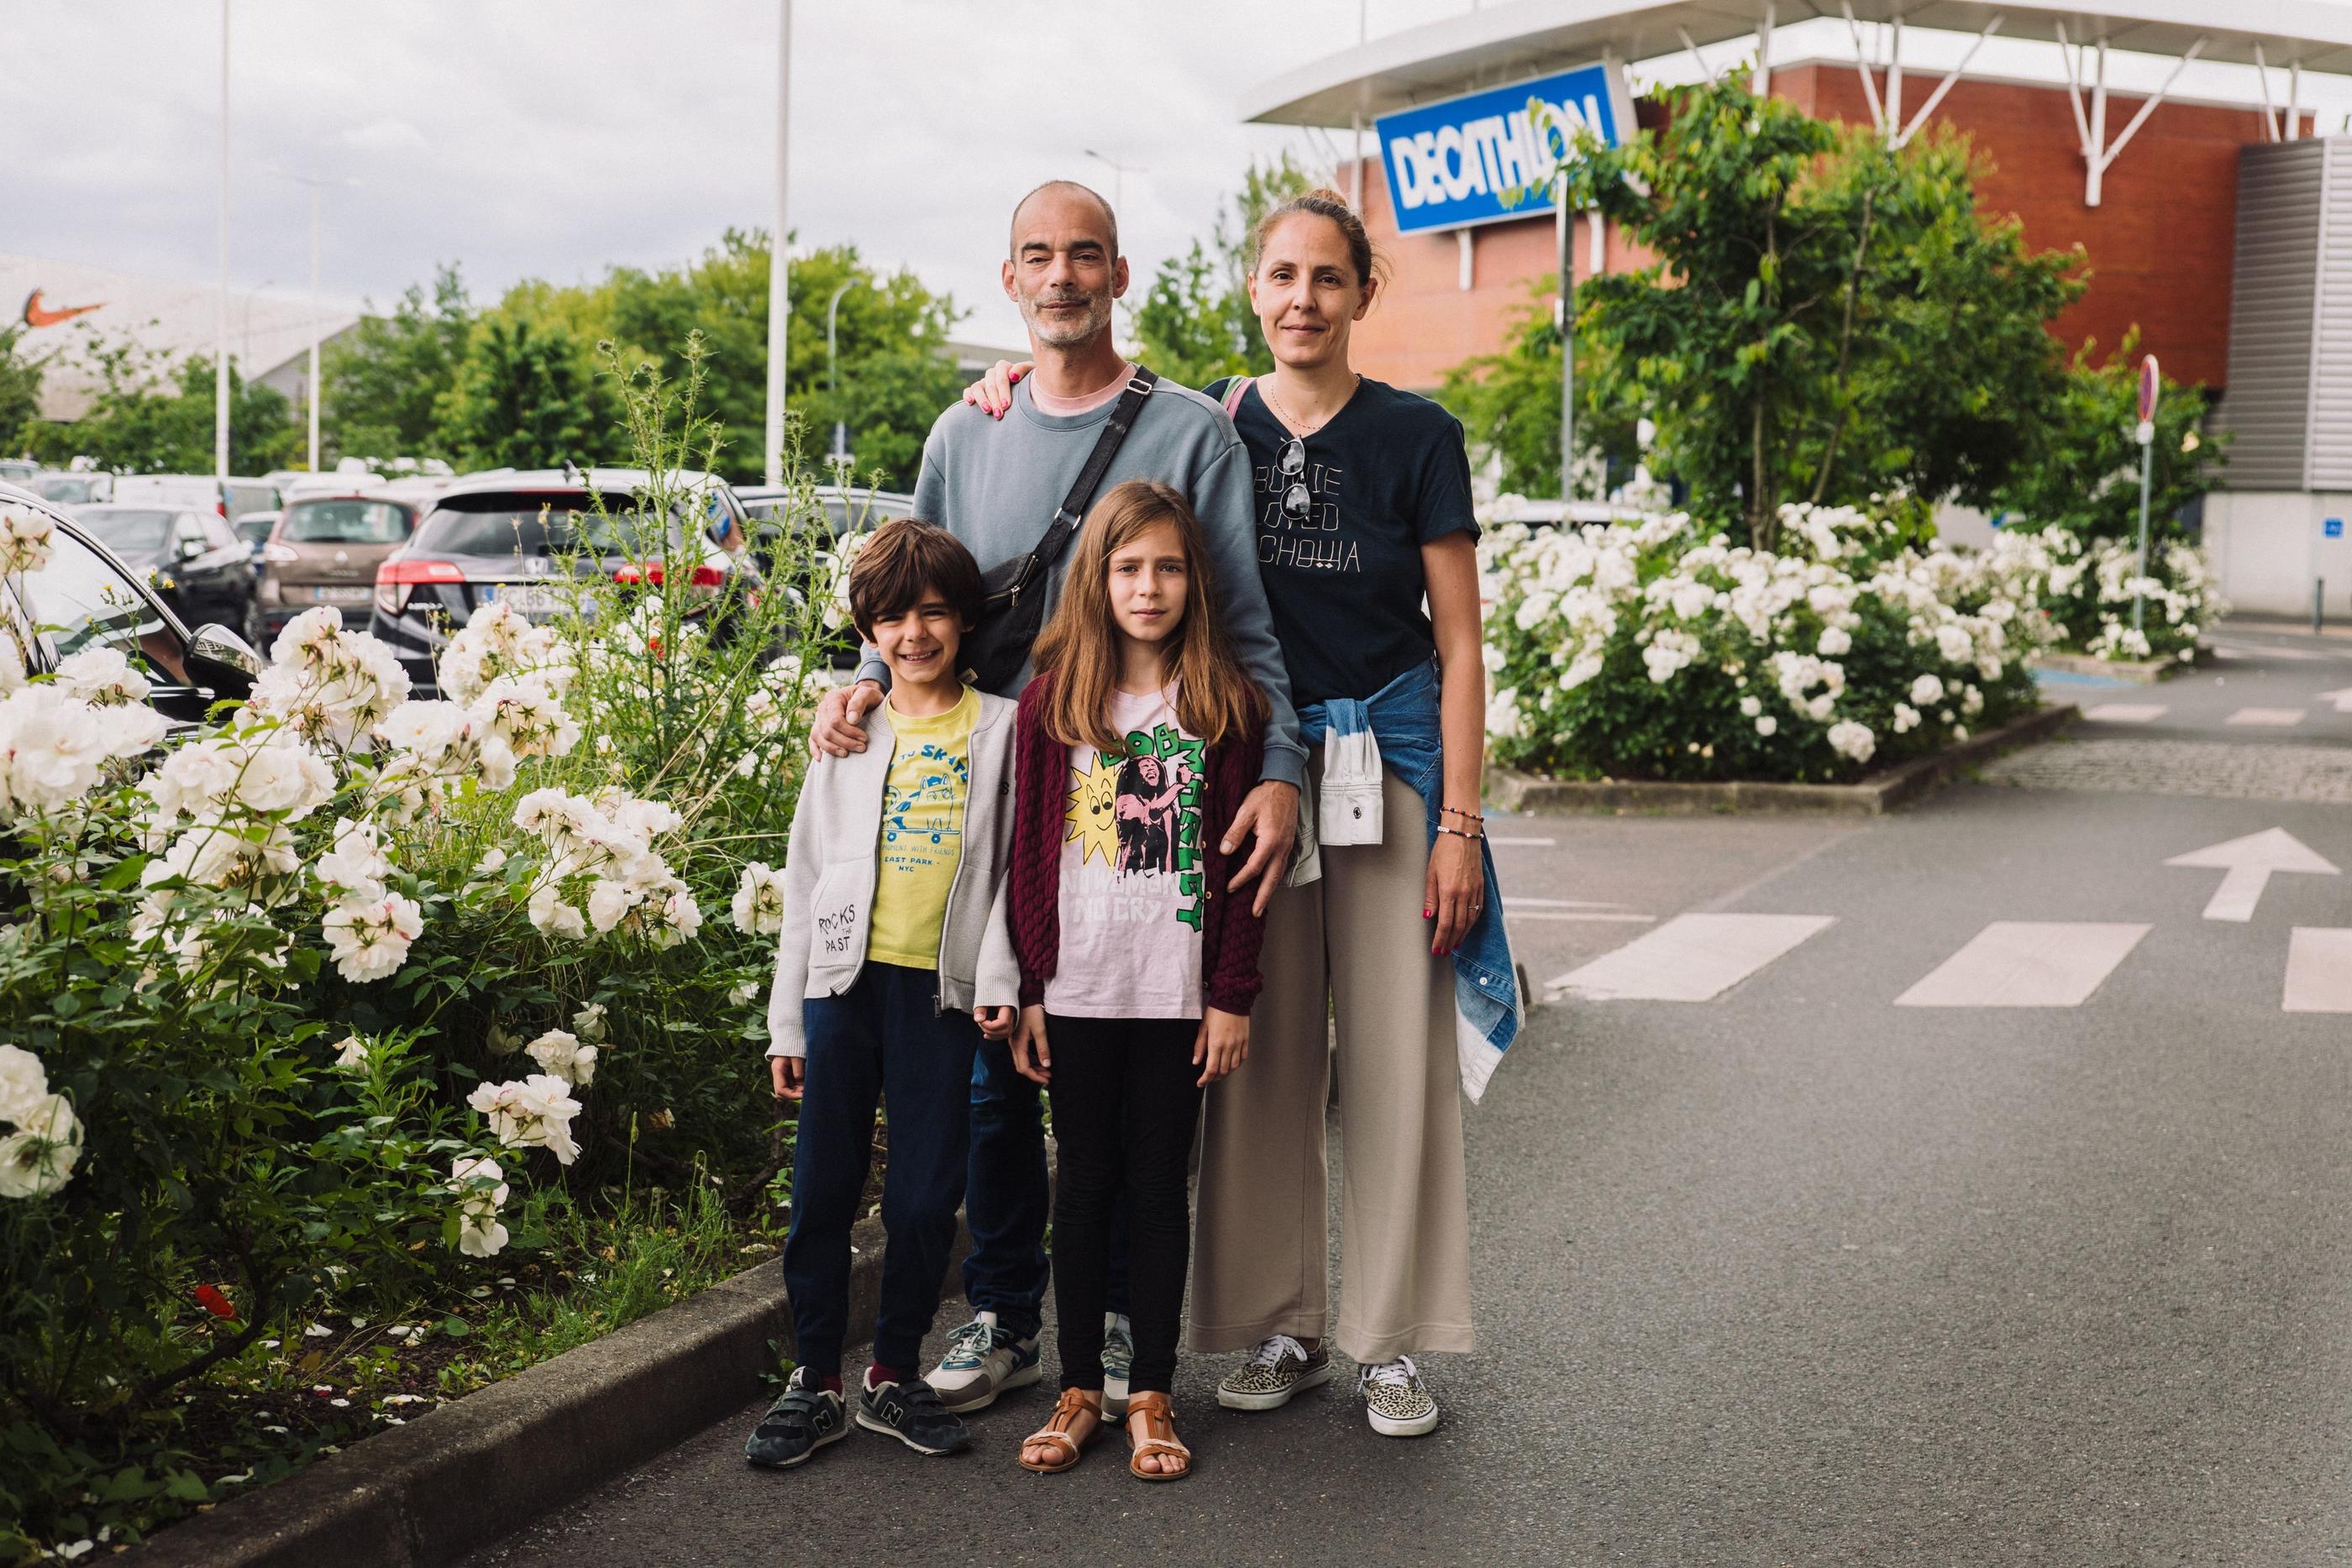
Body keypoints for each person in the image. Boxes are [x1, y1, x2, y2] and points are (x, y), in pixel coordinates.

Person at [963, 190, 1520, 1437]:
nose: (1302, 299)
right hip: (1242, 770)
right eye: (1281, 275)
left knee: (1391, 1056)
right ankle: (1283, 1321)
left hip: (1391, 762)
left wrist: (1461, 823)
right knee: (1255, 1056)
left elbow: (1464, 643)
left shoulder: (1418, 434)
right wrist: (1007, 379)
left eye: (1328, 277)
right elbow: (1082, 419)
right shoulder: (1212, 423)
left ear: (1364, 292)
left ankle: (1391, 1339)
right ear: (1251, 292)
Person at [806, 180, 1304, 1419]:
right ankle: (1009, 1313)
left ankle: (1124, 1330)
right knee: (995, 1069)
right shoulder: (963, 432)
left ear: (1120, 274)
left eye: (1086, 255)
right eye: (1040, 255)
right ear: (1010, 277)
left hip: (1136, 806)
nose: (1064, 275)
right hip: (993, 791)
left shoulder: (1190, 431)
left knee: (1125, 1104)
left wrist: (1283, 766)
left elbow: (1244, 627)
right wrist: (863, 684)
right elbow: (913, 592)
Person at [1003, 480, 1268, 1481]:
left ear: (1192, 579)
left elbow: (1244, 875)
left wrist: (1231, 991)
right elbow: (1029, 853)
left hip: (1173, 992)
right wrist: (1030, 983)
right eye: (1126, 568)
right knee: (1085, 1186)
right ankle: (1079, 1389)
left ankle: (1152, 1393)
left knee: (1159, 1190)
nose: (1146, 587)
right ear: (1096, 580)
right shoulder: (1053, 702)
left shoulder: (1222, 705)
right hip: (1077, 991)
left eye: (1164, 567)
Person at [744, 519, 1022, 1471]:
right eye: (894, 616)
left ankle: (892, 1370)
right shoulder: (850, 732)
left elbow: (1013, 878)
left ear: (965, 622)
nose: (915, 634)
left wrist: (1001, 983)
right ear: (868, 625)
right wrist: (789, 1017)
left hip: (941, 999)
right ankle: (815, 1375)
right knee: (820, 1189)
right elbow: (806, 872)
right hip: (839, 989)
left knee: (920, 1197)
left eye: (935, 613)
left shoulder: (1004, 730)